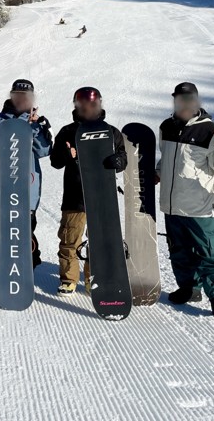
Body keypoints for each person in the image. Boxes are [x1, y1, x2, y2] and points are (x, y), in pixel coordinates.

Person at [156, 82, 214, 316]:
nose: (185, 105)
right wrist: (157, 172)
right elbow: (167, 159)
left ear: (197, 102)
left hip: (199, 205)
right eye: (181, 100)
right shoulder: (166, 127)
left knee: (207, 252)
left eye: (190, 101)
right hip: (172, 205)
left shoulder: (208, 129)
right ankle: (189, 288)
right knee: (178, 250)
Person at [50, 87, 127, 295]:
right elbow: (55, 161)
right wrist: (66, 154)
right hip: (75, 196)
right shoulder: (68, 131)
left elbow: (123, 158)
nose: (88, 109)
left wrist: (117, 161)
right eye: (83, 106)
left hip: (102, 196)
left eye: (93, 105)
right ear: (77, 106)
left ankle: (94, 277)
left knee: (100, 242)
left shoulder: (111, 131)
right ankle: (69, 279)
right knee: (69, 239)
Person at [0, 79, 52, 269]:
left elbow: (44, 150)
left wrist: (36, 128)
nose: (21, 99)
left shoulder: (34, 121)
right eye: (17, 95)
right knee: (1, 231)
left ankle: (27, 269)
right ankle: (2, 269)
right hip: (1, 189)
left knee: (25, 231)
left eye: (26, 96)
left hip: (26, 189)